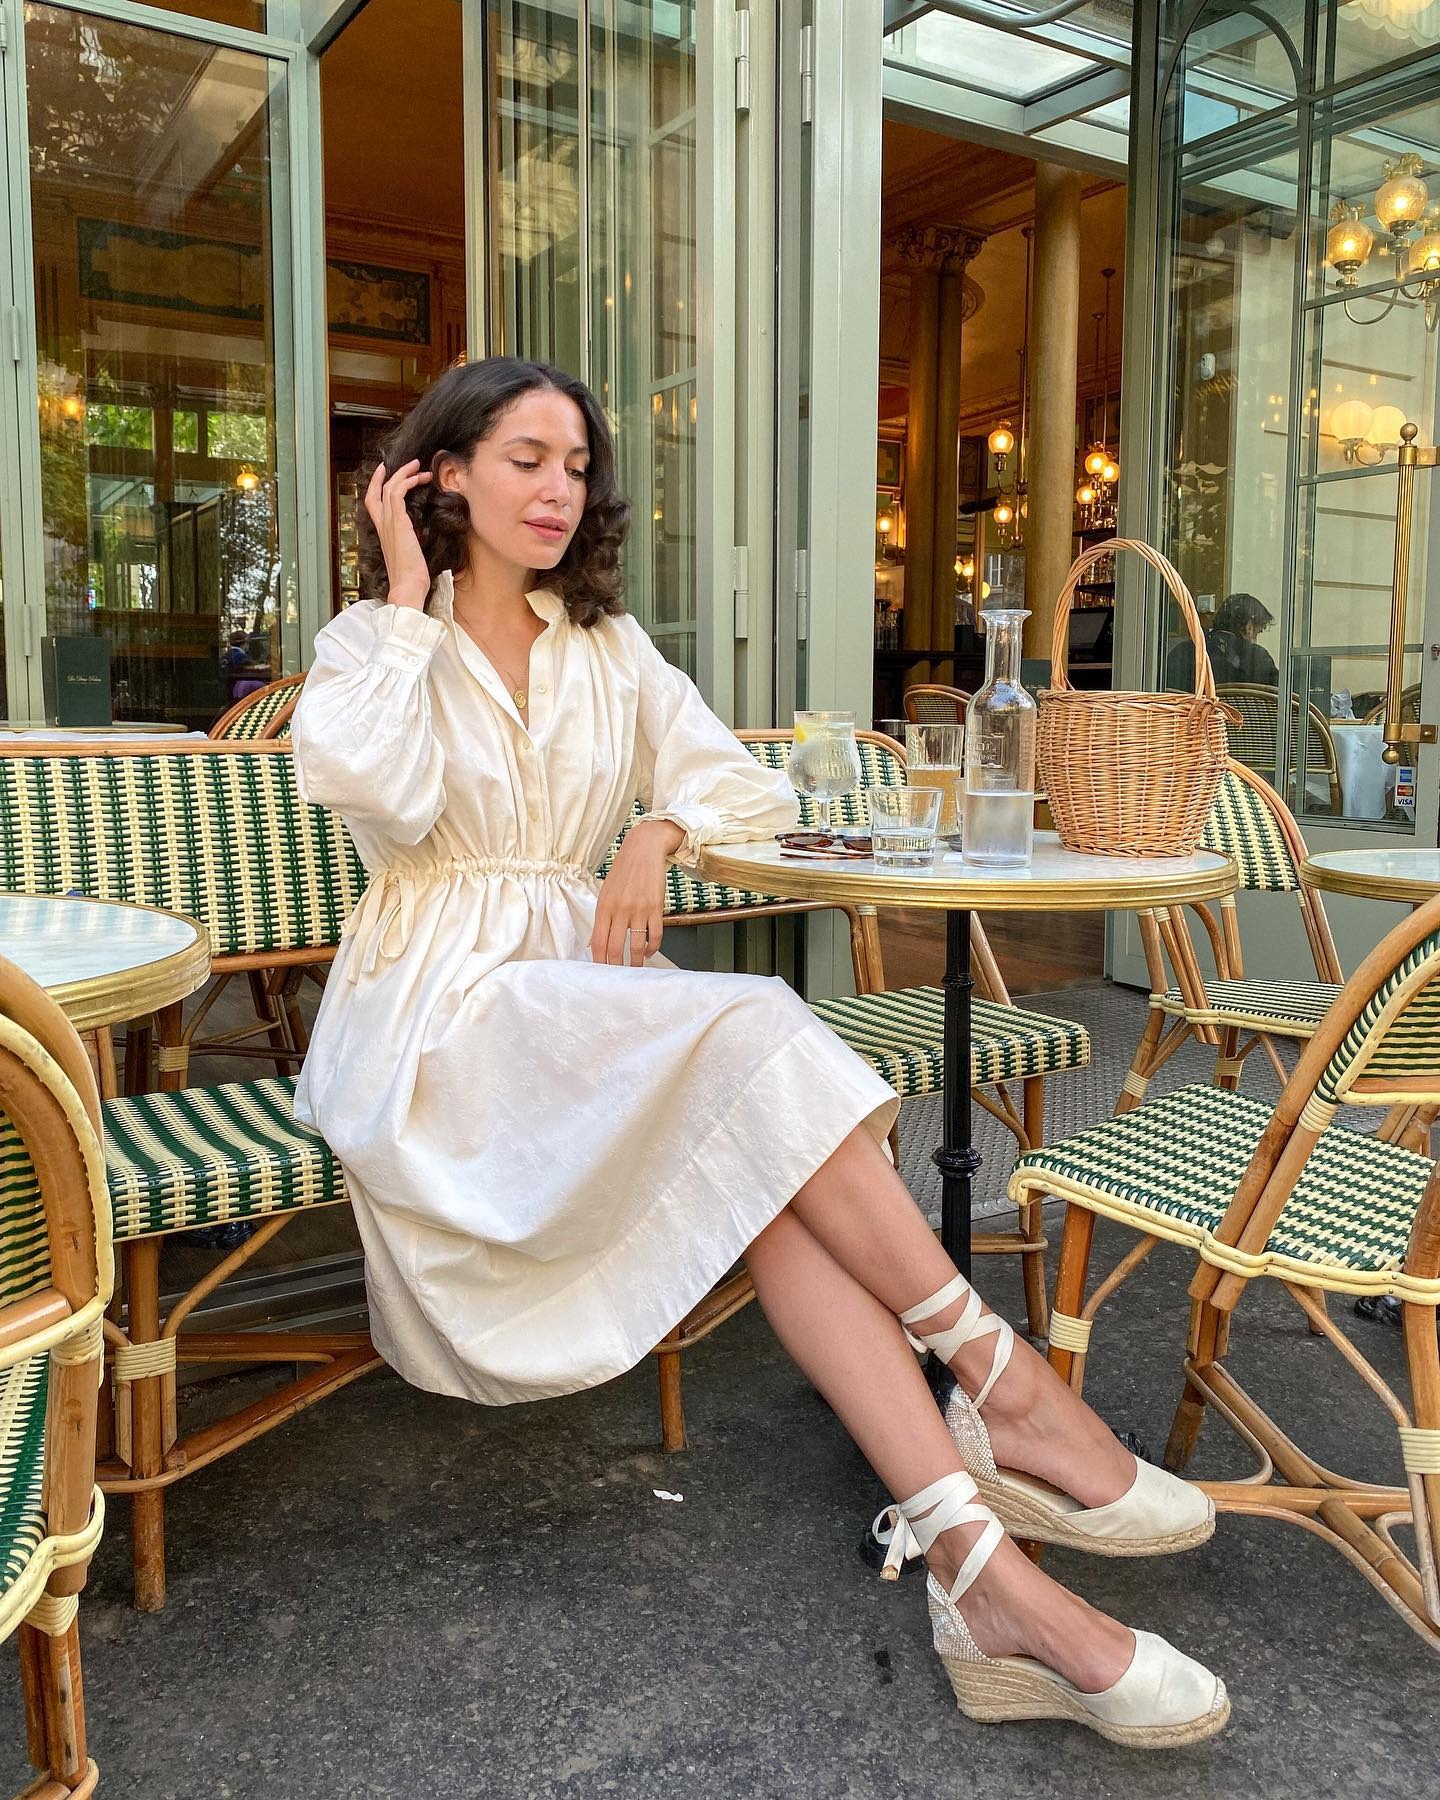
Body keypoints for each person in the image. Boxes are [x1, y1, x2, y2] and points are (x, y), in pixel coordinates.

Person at [289, 356, 1228, 1747]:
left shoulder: (606, 646)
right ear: (446, 474)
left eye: (577, 465)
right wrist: (408, 593)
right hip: (440, 1017)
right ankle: (1004, 1382)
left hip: (581, 1001)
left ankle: (982, 1576)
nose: (560, 488)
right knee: (757, 1031)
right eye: (526, 456)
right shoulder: (374, 643)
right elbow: (377, 786)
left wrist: (659, 831)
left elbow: (746, 780)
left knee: (768, 1152)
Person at [1166, 591, 1278, 691]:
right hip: (1241, 714)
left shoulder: (1183, 651)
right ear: (1249, 627)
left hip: (1190, 713)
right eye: (1258, 632)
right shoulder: (1257, 657)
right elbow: (1282, 696)